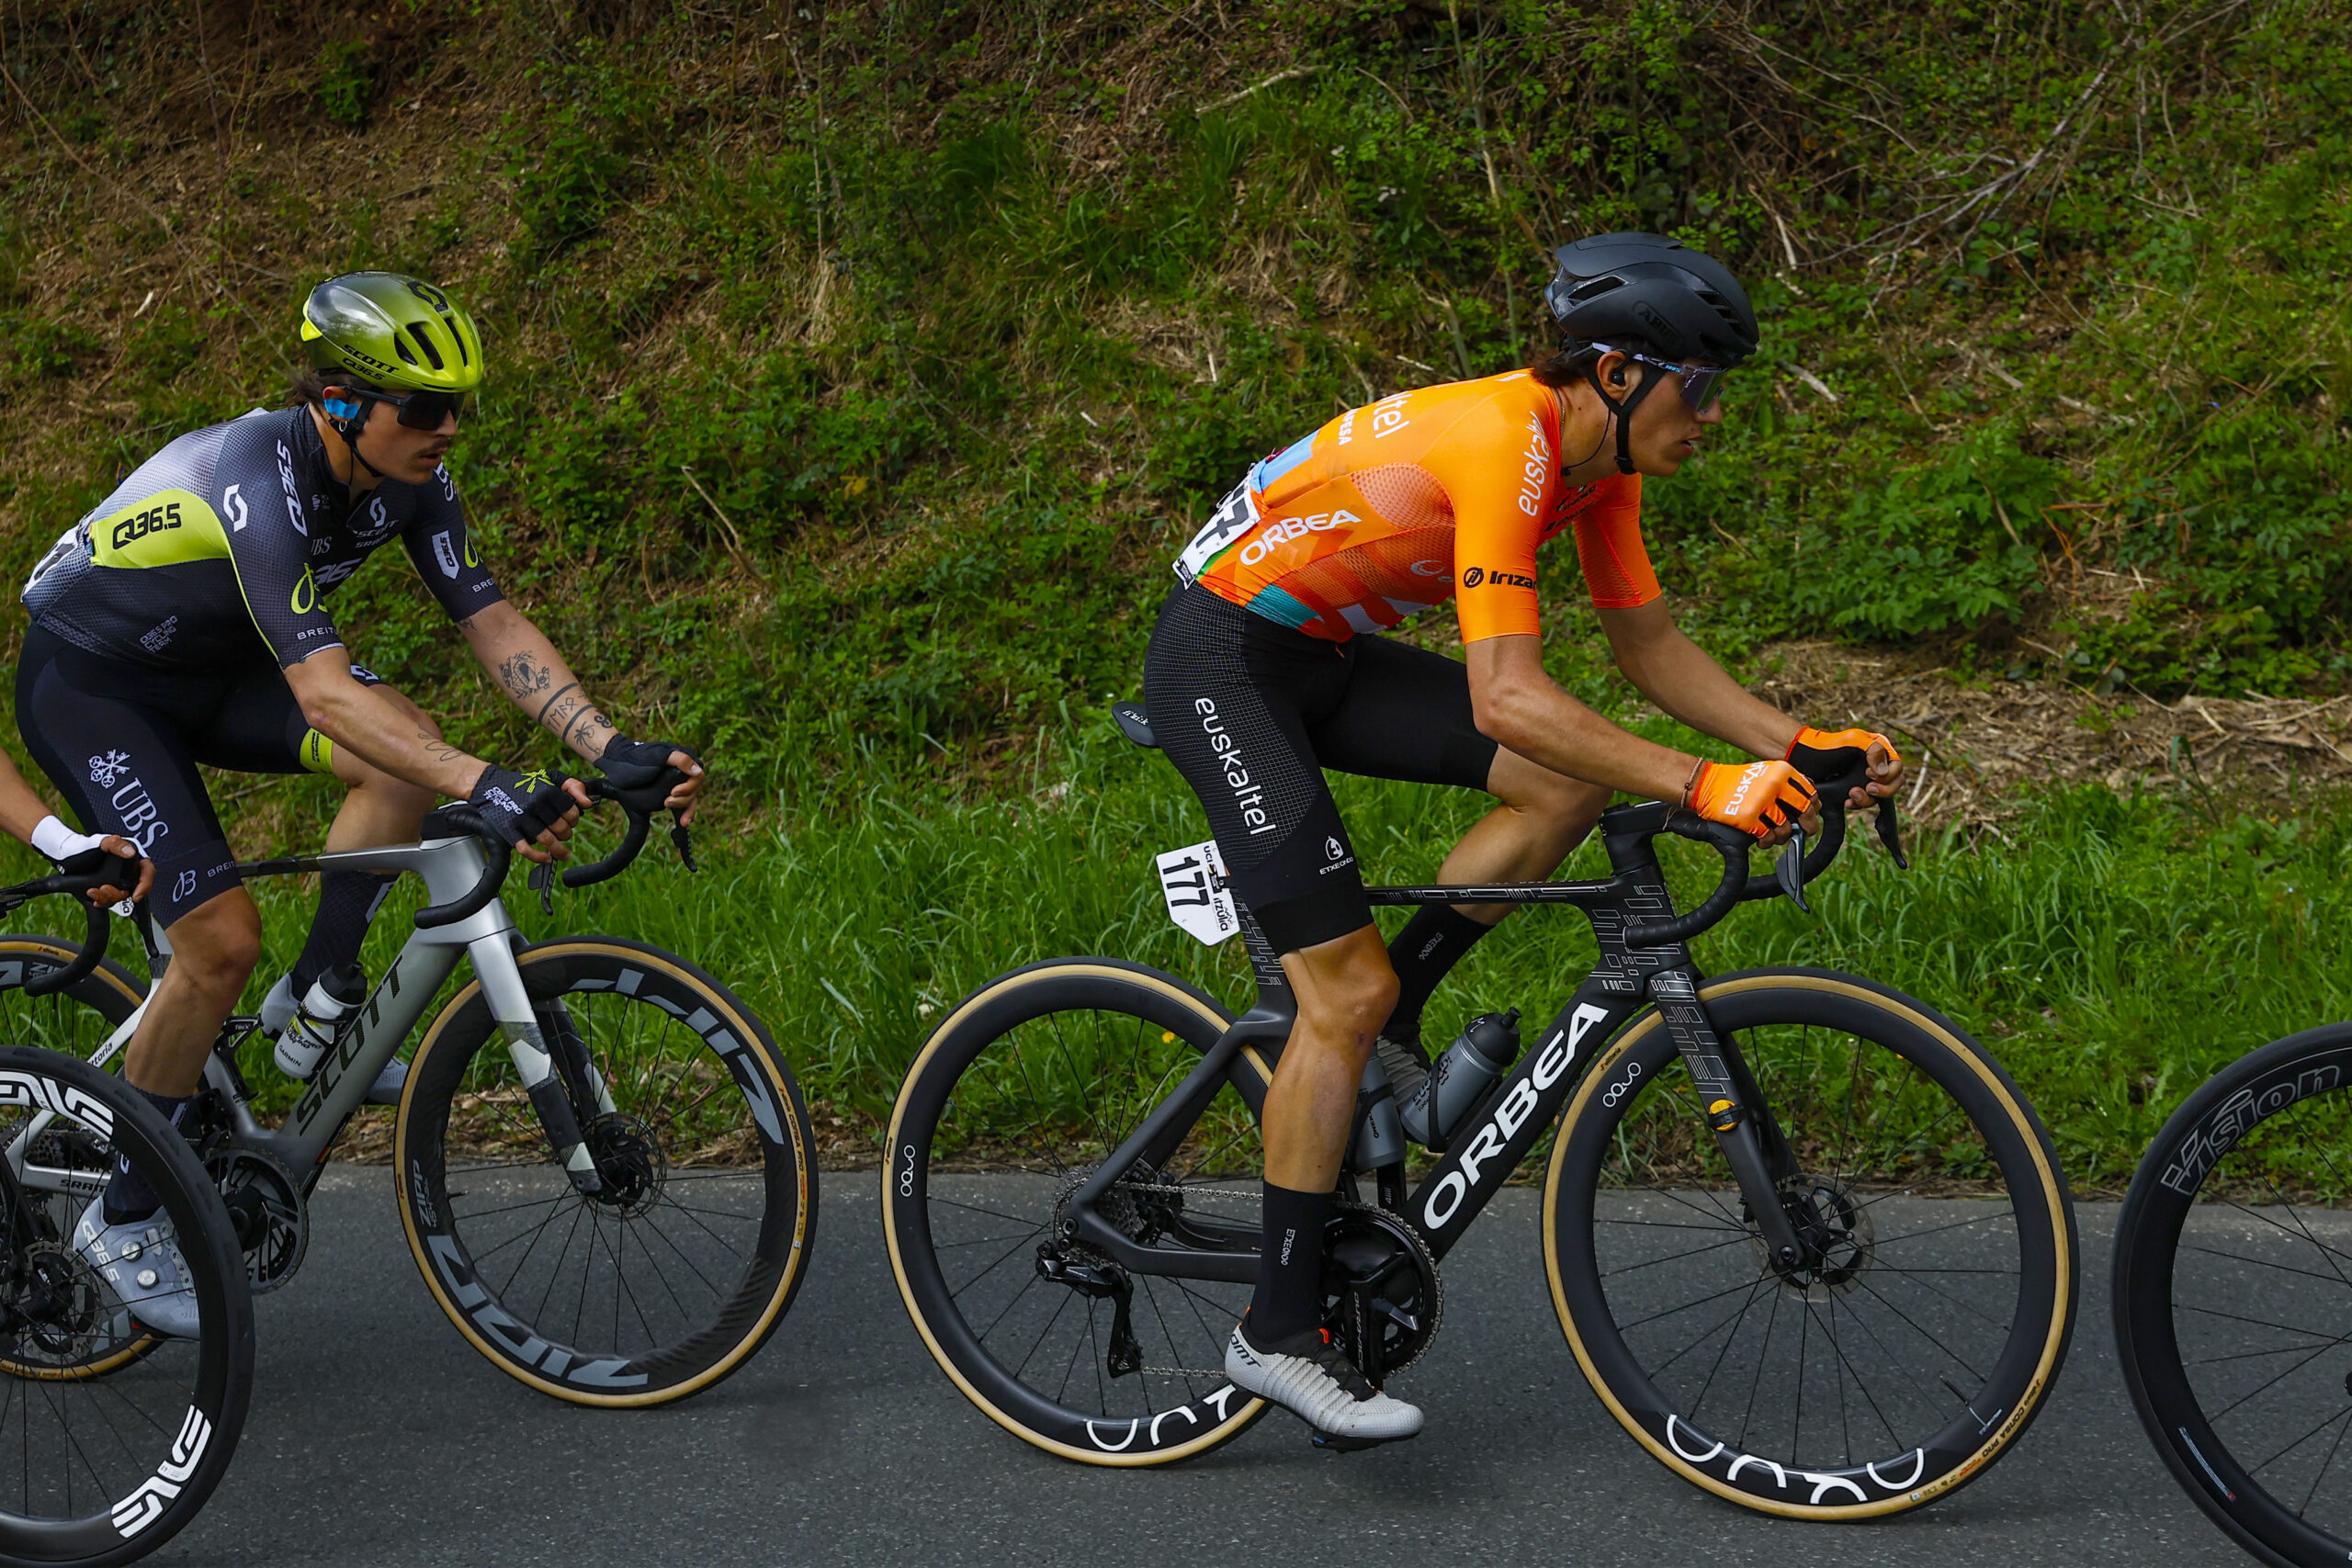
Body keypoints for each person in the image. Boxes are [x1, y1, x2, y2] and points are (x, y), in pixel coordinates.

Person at [1142, 232, 1904, 1447]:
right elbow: (1506, 697)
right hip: (1221, 660)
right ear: (1618, 373)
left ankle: (1393, 1023)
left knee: (1563, 792)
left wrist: (1799, 744)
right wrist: (1705, 783)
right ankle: (1274, 1329)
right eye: (1700, 385)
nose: (1713, 413)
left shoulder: (1600, 467)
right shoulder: (1508, 440)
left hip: (1319, 653)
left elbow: (1649, 648)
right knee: (1340, 993)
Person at [17, 272, 704, 1336]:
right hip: (96, 685)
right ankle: (125, 1211)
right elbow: (324, 694)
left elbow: (490, 619)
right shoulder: (254, 472)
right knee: (217, 944)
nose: (448, 429)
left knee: (400, 758)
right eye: (424, 408)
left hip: (215, 672)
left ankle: (313, 1001)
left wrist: (610, 746)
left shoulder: (413, 479)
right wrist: (488, 783)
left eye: (458, 407)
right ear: (339, 402)